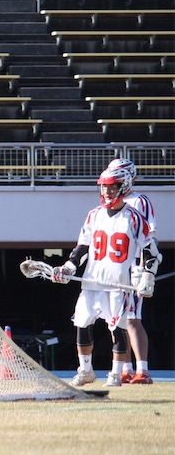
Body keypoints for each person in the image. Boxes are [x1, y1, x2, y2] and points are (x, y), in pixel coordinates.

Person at [51, 166, 157, 388]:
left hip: (118, 283)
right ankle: (86, 370)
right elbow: (82, 247)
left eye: (112, 187)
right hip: (92, 281)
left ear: (124, 187)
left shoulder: (134, 218)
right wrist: (69, 267)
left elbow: (151, 252)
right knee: (82, 323)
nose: (107, 192)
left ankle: (116, 374)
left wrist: (148, 275)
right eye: (104, 187)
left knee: (118, 329)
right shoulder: (94, 215)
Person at [106, 159, 160, 384]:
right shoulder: (110, 205)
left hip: (134, 266)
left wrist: (146, 269)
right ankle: (126, 368)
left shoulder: (139, 201)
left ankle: (142, 370)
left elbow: (148, 236)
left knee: (133, 318)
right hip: (116, 267)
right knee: (116, 321)